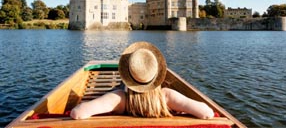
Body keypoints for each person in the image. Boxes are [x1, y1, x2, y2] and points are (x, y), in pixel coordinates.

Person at [70, 41, 214, 120]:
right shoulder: (166, 96)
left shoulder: (120, 99)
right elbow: (208, 113)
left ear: (127, 76)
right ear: (156, 75)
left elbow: (77, 113)